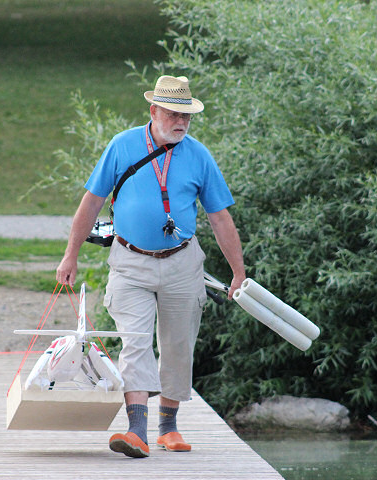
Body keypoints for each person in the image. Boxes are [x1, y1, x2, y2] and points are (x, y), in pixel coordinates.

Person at [55, 75, 245, 458]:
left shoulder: (198, 155)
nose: (181, 122)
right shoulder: (122, 145)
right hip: (129, 262)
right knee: (135, 342)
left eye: (186, 117)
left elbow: (220, 218)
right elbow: (91, 202)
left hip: (182, 263)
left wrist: (239, 272)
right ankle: (136, 430)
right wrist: (70, 254)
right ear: (153, 111)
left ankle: (168, 427)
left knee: (178, 345)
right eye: (174, 114)